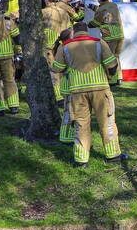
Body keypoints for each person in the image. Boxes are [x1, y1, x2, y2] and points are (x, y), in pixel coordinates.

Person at [51, 22, 125, 166]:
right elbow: (112, 64)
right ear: (87, 31)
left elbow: (57, 68)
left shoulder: (65, 46)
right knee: (107, 123)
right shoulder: (99, 42)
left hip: (77, 92)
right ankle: (113, 155)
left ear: (75, 32)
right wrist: (109, 77)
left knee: (81, 125)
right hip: (101, 89)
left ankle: (81, 160)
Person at [42, 0, 73, 102]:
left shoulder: (44, 12)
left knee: (53, 71)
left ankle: (57, 97)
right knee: (63, 70)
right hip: (63, 45)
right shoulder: (64, 12)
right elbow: (69, 28)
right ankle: (65, 93)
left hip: (49, 47)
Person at [88, 0, 124, 85]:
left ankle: (111, 80)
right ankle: (119, 78)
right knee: (116, 56)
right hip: (120, 34)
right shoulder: (114, 5)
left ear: (98, 0)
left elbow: (95, 22)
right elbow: (106, 11)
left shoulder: (101, 10)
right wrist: (93, 7)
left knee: (109, 58)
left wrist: (87, 24)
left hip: (109, 36)